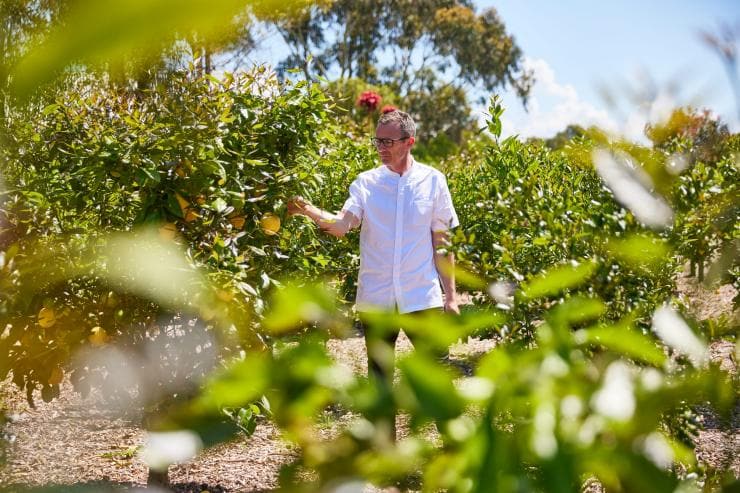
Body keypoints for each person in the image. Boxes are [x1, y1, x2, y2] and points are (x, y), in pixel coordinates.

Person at [287, 109, 459, 441]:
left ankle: (455, 450)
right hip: (377, 297)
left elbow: (442, 240)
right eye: (377, 140)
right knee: (380, 379)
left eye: (388, 141)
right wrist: (307, 209)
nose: (380, 147)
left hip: (421, 295)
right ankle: (386, 458)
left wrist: (450, 296)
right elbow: (342, 225)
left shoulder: (433, 180)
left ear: (409, 142)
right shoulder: (366, 182)